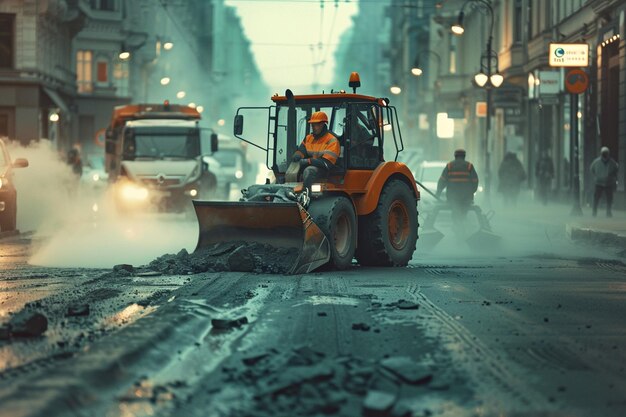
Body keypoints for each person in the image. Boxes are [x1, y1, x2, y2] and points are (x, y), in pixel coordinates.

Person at [291, 111, 340, 196]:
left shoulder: (332, 141)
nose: (313, 127)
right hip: (312, 164)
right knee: (292, 169)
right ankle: (289, 191)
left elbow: (327, 164)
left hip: (326, 170)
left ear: (322, 124)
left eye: (315, 125)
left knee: (309, 171)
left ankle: (305, 196)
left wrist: (309, 161)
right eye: (312, 125)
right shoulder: (308, 138)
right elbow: (302, 150)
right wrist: (298, 155)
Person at [436, 149, 479, 233]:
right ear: (464, 156)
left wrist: (438, 193)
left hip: (453, 197)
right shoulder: (469, 166)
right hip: (466, 198)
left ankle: (457, 228)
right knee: (463, 214)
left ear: (455, 156)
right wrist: (471, 192)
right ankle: (462, 228)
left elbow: (442, 181)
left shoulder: (449, 166)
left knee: (456, 213)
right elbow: (475, 181)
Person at [590, 146, 619, 217]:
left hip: (608, 182)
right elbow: (592, 169)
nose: (605, 154)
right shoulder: (596, 162)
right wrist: (596, 176)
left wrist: (612, 177)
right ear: (601, 153)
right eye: (604, 153)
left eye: (606, 153)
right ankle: (594, 212)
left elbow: (616, 170)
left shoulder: (612, 162)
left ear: (608, 153)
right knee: (596, 197)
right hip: (599, 182)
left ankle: (608, 212)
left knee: (609, 198)